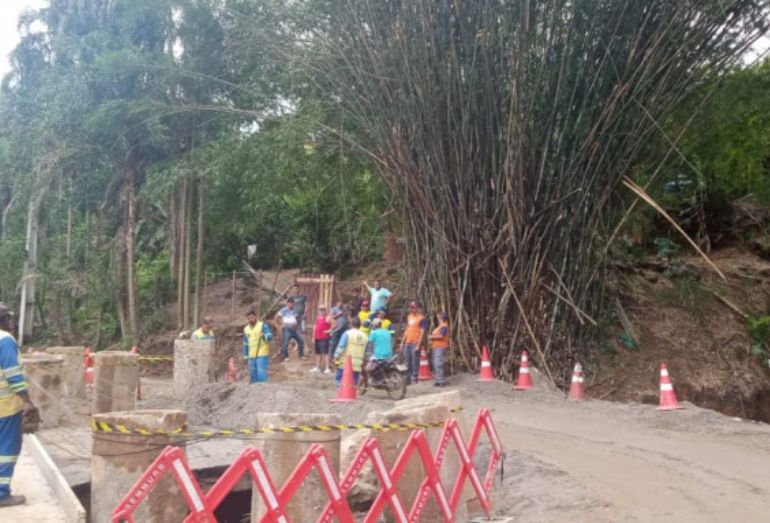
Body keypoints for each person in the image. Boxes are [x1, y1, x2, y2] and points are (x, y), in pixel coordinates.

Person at [0, 303, 38, 507]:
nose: (11, 323)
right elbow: (13, 373)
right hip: (5, 406)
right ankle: (1, 494)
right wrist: (27, 401)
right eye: (8, 319)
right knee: (7, 448)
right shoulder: (4, 340)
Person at [332, 317, 368, 386]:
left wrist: (335, 357)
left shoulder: (347, 334)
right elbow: (367, 352)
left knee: (339, 379)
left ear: (351, 324)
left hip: (344, 364)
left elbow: (341, 347)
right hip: (357, 365)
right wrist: (364, 363)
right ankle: (351, 395)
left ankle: (342, 393)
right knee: (353, 384)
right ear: (360, 325)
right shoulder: (365, 336)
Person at [400, 301, 428, 385]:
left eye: (414, 307)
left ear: (418, 308)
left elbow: (422, 332)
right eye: (411, 307)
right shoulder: (409, 317)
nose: (412, 309)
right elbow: (407, 329)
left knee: (415, 361)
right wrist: (402, 342)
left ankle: (415, 377)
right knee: (407, 360)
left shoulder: (422, 318)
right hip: (408, 342)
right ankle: (407, 379)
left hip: (415, 342)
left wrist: (419, 345)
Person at [243, 310, 273, 383]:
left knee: (261, 373)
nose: (251, 319)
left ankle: (263, 389)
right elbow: (245, 343)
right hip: (251, 355)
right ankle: (254, 392)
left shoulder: (262, 325)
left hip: (262, 353)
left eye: (252, 317)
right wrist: (245, 355)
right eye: (249, 318)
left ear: (255, 317)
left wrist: (263, 336)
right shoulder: (246, 329)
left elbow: (270, 337)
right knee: (252, 374)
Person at [428, 313, 449, 387]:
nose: (438, 319)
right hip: (436, 347)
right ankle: (438, 380)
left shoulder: (444, 326)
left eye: (439, 318)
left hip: (440, 347)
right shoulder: (440, 326)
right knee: (435, 364)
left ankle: (441, 381)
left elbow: (441, 335)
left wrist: (432, 337)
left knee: (438, 364)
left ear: (442, 319)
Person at [312, 304, 332, 374]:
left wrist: (329, 330)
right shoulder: (318, 318)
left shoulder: (328, 317)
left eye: (323, 309)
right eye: (320, 309)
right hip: (317, 337)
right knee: (318, 353)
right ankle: (317, 367)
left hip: (324, 338)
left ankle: (327, 368)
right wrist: (313, 336)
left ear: (325, 310)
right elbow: (315, 327)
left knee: (325, 353)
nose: (321, 311)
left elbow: (335, 324)